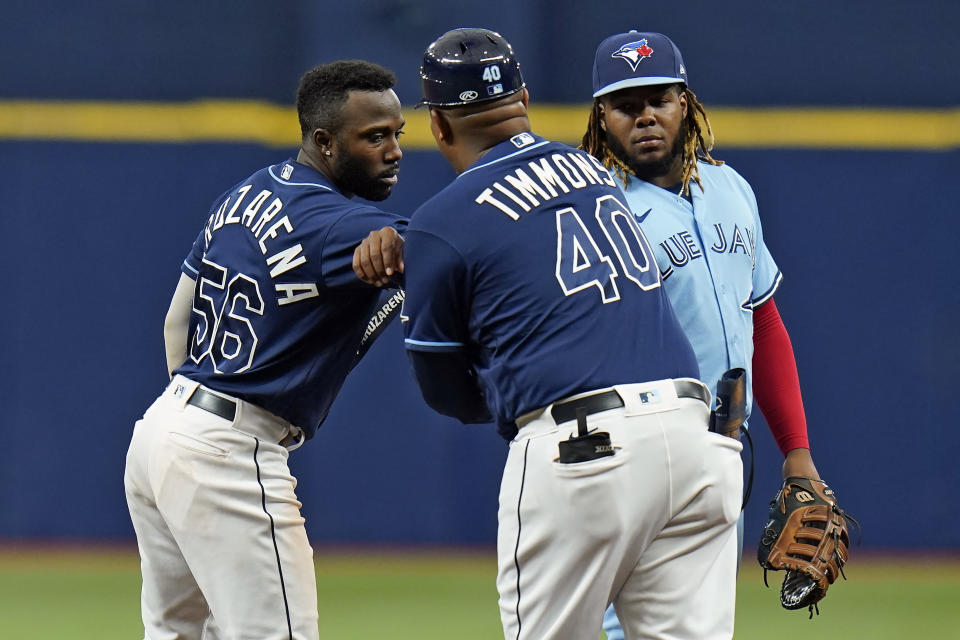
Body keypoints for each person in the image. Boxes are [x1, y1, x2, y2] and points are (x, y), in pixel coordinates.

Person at [397, 28, 742, 639]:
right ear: (524, 98)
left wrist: (510, 392)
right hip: (696, 438)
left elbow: (444, 389)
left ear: (440, 127)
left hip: (585, 450)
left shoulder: (440, 223)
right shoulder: (594, 172)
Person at [124, 59, 407, 640]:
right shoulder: (336, 222)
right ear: (325, 142)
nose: (394, 149)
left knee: (174, 633)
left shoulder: (246, 191)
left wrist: (188, 417)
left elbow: (176, 321)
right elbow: (438, 251)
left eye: (397, 133)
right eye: (375, 136)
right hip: (229, 442)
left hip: (164, 429)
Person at [578, 31, 823, 639]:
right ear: (601, 117)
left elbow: (761, 320)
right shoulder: (590, 207)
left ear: (684, 102)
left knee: (704, 627)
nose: (644, 116)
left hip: (722, 447)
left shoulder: (730, 189)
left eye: (658, 97)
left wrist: (797, 452)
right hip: (634, 449)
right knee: (619, 627)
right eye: (624, 104)